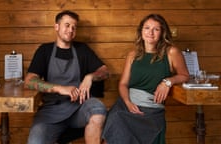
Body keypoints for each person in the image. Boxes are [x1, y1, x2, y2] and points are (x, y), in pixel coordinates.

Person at [102, 14, 189, 144]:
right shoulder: (133, 55)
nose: (150, 33)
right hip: (126, 106)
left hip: (151, 111)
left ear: (162, 33)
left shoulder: (171, 52)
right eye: (147, 28)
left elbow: (184, 75)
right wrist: (127, 102)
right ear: (141, 31)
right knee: (116, 121)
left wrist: (168, 82)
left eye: (156, 29)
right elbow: (123, 84)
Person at [24, 10, 109, 144]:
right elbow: (29, 81)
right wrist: (59, 88)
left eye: (74, 27)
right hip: (51, 111)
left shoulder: (82, 49)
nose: (71, 30)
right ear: (56, 27)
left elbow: (104, 71)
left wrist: (90, 77)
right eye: (67, 25)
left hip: (79, 107)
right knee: (35, 141)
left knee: (98, 109)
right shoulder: (44, 51)